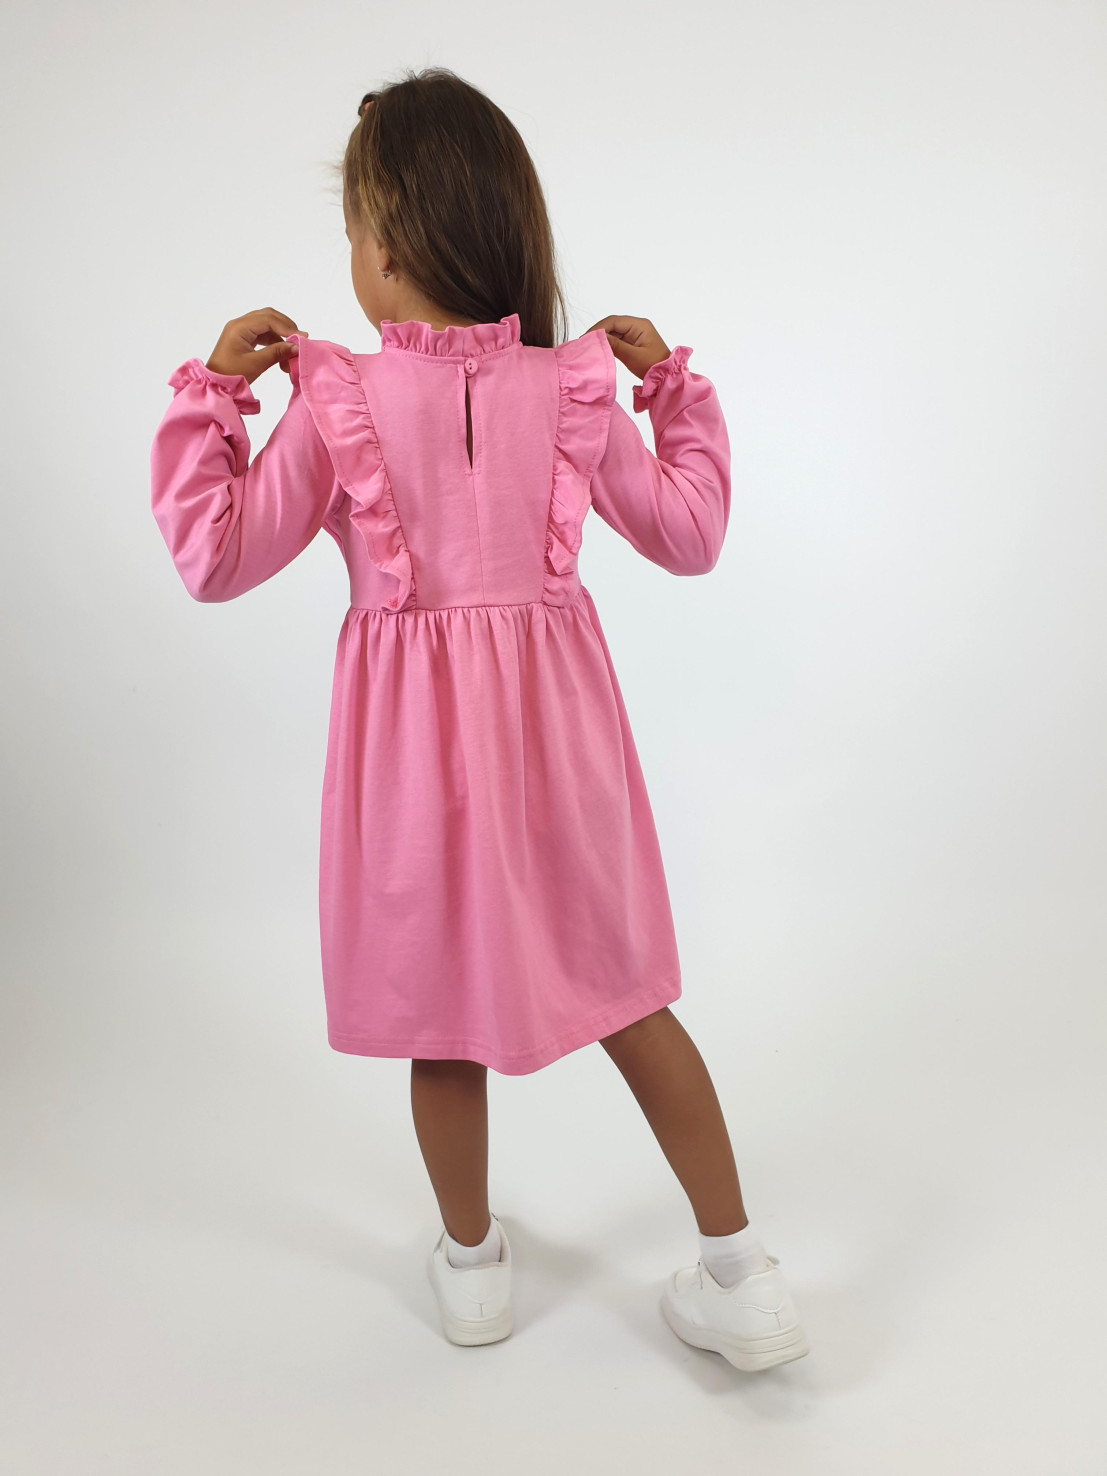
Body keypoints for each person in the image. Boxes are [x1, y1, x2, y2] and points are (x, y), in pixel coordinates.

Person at [149, 65, 809, 1373]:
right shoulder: (571, 390)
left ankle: (471, 1270)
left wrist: (209, 397)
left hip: (410, 776)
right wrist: (674, 394)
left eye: (353, 228)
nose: (350, 253)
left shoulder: (335, 400)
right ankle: (742, 1275)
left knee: (438, 1021)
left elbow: (213, 556)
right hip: (565, 760)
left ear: (389, 244)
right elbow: (690, 533)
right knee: (633, 1001)